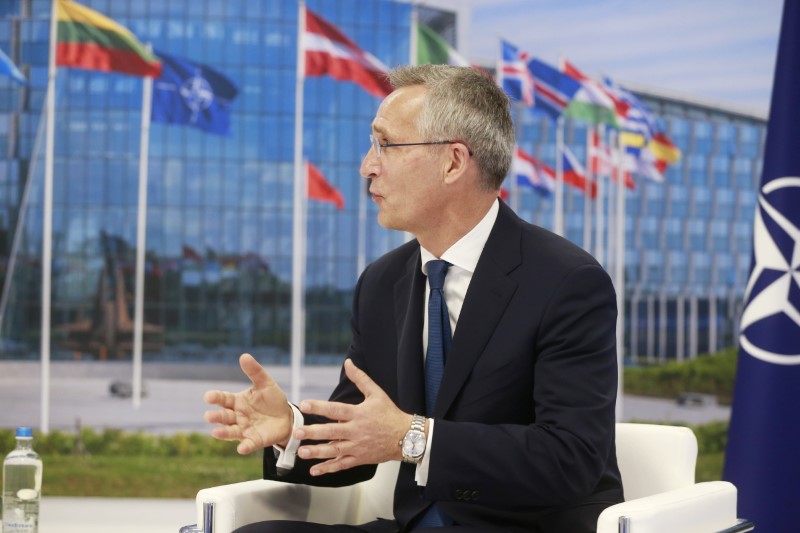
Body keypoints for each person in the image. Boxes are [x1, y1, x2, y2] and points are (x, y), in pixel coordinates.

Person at [204, 64, 623, 533]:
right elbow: (360, 433)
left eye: (385, 144)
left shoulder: (567, 281)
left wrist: (413, 438)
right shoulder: (382, 283)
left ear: (453, 162)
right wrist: (290, 429)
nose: (367, 165)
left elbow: (571, 459)